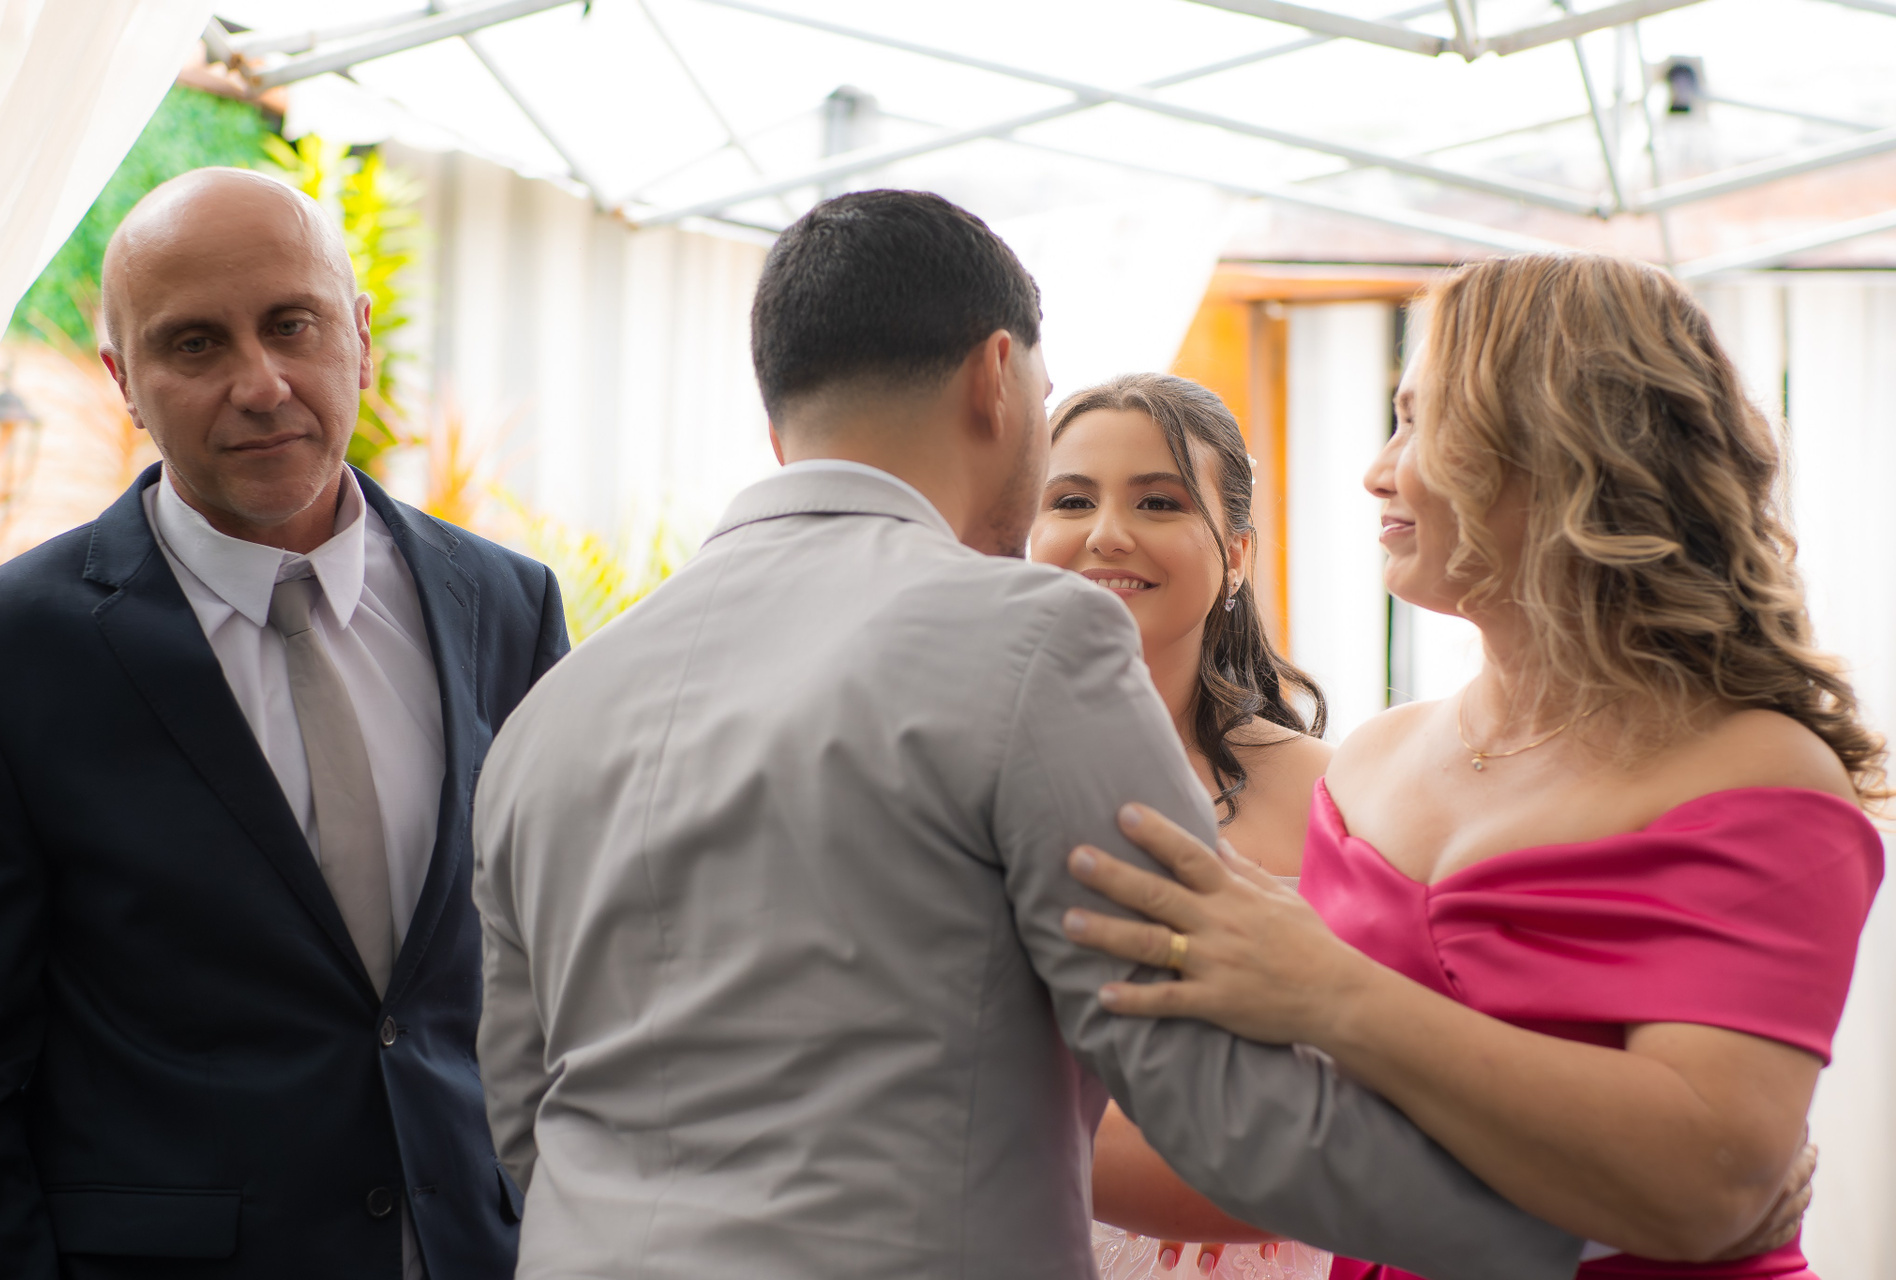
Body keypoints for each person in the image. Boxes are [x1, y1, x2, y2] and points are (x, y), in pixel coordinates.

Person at [471, 188, 1582, 1280]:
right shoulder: (1032, 638)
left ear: (778, 420)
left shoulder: (555, 708)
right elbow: (1210, 1099)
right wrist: (1581, 1223)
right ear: (995, 377)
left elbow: (523, 1110)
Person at [1060, 252, 1878, 1278]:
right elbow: (1314, 1138)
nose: (1377, 470)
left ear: (1562, 449)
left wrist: (1331, 989)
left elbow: (1702, 1187)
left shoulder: (1751, 771)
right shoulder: (1373, 766)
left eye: (1420, 421)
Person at [0, 168, 568, 1279]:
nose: (261, 384)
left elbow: (561, 969)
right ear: (125, 381)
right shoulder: (7, 651)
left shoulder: (508, 605)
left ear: (360, 338)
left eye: (292, 324)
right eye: (195, 344)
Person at [1029, 373, 1330, 1276]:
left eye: (1157, 501)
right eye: (1071, 500)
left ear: (1236, 555)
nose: (1107, 533)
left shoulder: (1339, 794)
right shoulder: (967, 769)